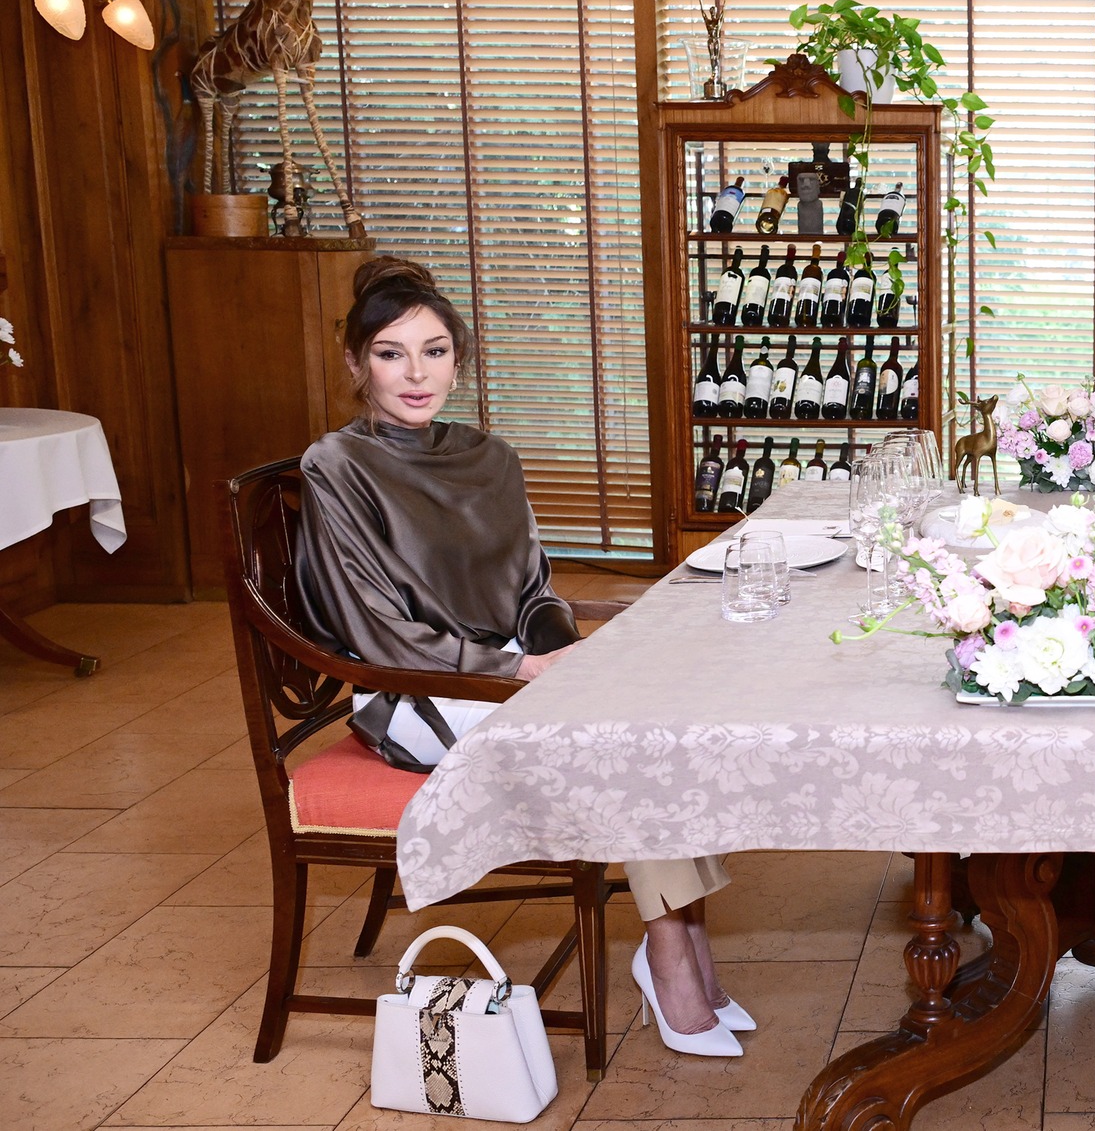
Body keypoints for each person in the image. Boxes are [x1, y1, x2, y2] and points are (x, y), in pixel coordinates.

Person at [295, 255, 752, 1059]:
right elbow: (372, 628)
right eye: (391, 353)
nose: (416, 373)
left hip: (510, 670)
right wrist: (518, 672)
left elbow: (534, 590)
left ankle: (677, 940)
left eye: (435, 351)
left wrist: (558, 653)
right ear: (356, 364)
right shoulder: (336, 466)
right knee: (616, 739)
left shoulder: (490, 456)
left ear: (459, 360)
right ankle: (673, 954)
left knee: (659, 717)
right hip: (415, 687)